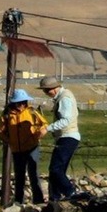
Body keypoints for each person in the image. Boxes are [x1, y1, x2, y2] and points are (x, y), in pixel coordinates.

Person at [36, 75, 83, 203]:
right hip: (65, 137)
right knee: (57, 170)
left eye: (46, 90)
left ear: (54, 88)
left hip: (68, 136)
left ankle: (70, 192)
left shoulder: (64, 99)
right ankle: (54, 197)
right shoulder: (61, 98)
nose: (45, 93)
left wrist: (48, 128)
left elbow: (66, 120)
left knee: (55, 169)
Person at [0, 88, 47, 205]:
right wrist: (10, 141)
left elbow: (44, 125)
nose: (21, 105)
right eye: (18, 103)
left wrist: (37, 136)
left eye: (23, 102)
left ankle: (38, 200)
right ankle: (19, 201)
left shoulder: (32, 113)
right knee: (19, 176)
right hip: (16, 150)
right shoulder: (7, 114)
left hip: (32, 147)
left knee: (33, 173)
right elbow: (0, 131)